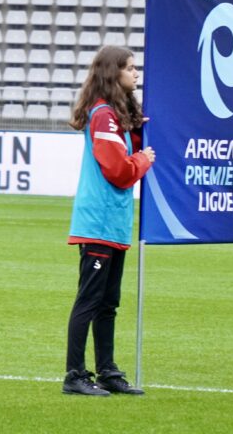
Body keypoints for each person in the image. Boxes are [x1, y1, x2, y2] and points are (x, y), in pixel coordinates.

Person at [63, 45, 154, 397]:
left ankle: (107, 370)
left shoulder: (112, 116)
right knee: (89, 300)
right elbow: (118, 170)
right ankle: (74, 375)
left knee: (108, 302)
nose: (136, 74)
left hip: (112, 222)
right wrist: (143, 159)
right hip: (98, 221)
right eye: (130, 68)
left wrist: (138, 136)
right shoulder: (102, 114)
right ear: (112, 72)